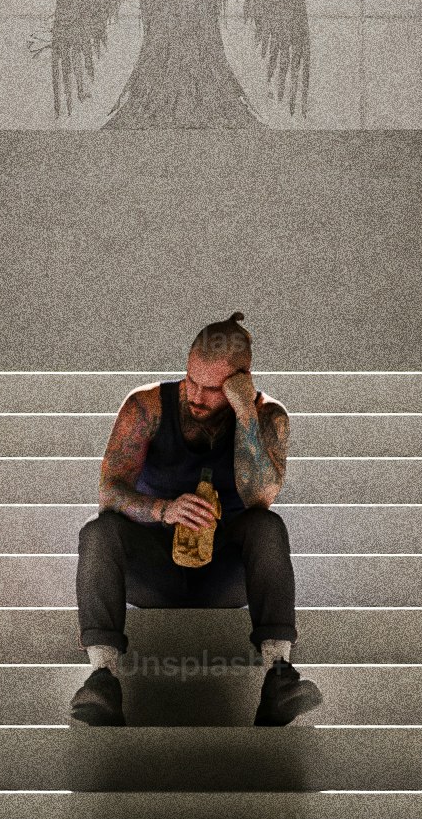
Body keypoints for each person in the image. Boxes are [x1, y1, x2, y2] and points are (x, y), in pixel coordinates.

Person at [68, 311, 317, 727]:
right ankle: (102, 678)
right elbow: (108, 493)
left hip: (223, 574)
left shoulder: (268, 417)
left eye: (212, 388)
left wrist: (245, 415)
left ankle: (279, 677)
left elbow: (260, 496)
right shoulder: (145, 407)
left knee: (268, 528)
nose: (195, 396)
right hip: (155, 568)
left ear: (241, 381)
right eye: (190, 380)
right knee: (98, 533)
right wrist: (163, 510)